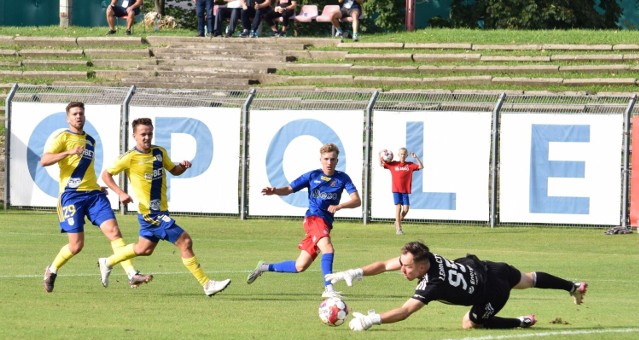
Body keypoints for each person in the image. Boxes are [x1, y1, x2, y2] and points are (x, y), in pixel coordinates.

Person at [98, 118, 231, 297]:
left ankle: (107, 262)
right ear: (134, 135)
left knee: (144, 249)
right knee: (185, 241)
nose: (146, 137)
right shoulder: (129, 157)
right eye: (143, 134)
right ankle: (207, 284)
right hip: (150, 213)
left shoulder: (159, 152)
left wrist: (182, 167)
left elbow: (173, 170)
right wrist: (120, 193)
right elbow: (106, 174)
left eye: (149, 133)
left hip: (160, 210)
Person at [325, 240, 588, 331]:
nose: (401, 269)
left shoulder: (433, 284)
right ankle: (572, 286)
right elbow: (383, 265)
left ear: (421, 266)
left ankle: (520, 321)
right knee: (530, 279)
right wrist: (355, 271)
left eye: (406, 266)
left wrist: (373, 320)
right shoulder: (428, 259)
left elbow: (405, 312)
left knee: (470, 322)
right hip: (491, 268)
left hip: (492, 292)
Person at [41, 102, 152, 293]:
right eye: (75, 114)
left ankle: (131, 274)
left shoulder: (90, 140)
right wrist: (68, 152)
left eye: (81, 113)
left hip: (93, 195)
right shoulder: (63, 137)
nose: (78, 117)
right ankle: (51, 270)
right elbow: (44, 160)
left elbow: (86, 169)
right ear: (68, 118)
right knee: (76, 246)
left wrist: (96, 186)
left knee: (114, 232)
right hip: (71, 197)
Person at [246, 143, 361, 298]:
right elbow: (288, 189)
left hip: (325, 224)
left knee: (300, 266)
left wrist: (340, 206)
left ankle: (264, 267)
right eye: (326, 159)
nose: (329, 162)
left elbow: (356, 200)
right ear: (320, 159)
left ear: (337, 160)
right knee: (328, 249)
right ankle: (329, 288)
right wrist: (275, 191)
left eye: (332, 159)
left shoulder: (342, 178)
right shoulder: (312, 176)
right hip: (314, 219)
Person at [380, 147, 423, 235]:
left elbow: (421, 167)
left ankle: (397, 221)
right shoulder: (393, 164)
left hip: (405, 190)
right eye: (401, 154)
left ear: (406, 155)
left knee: (406, 209)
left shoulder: (409, 165)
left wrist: (416, 157)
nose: (402, 155)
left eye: (404, 154)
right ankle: (398, 229)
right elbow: (382, 164)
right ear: (398, 155)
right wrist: (379, 155)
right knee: (398, 207)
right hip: (396, 190)